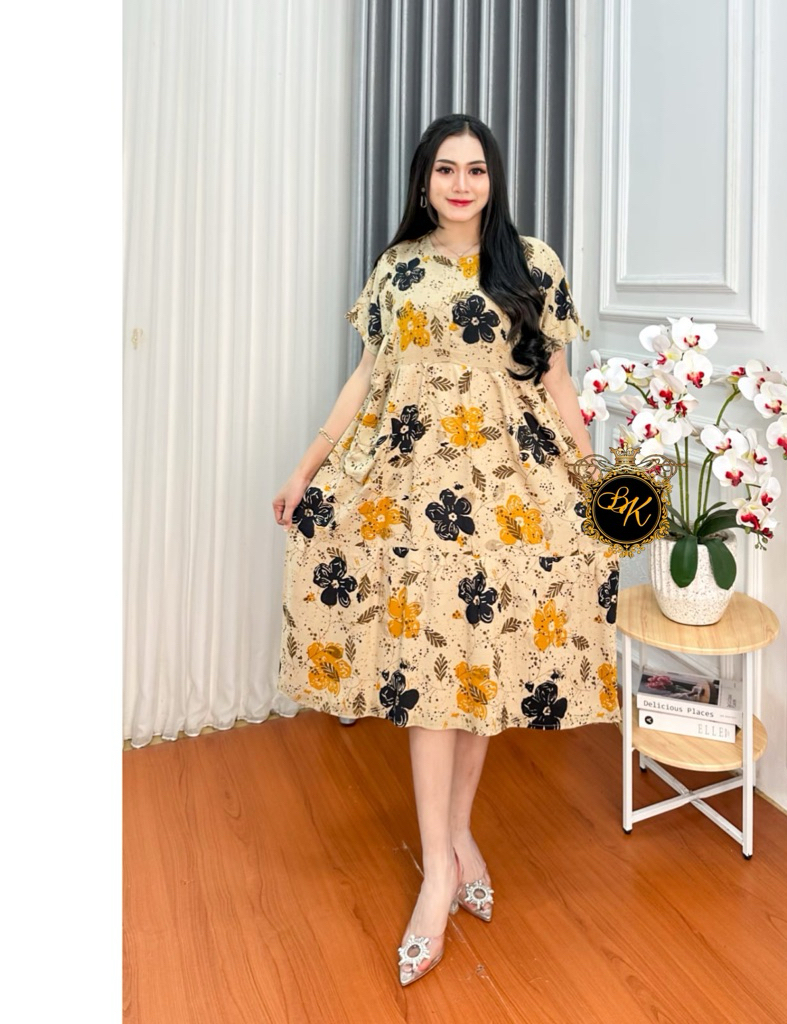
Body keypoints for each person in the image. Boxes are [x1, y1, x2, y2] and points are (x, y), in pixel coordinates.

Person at [271, 113, 621, 987]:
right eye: (445, 169)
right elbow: (366, 377)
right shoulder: (396, 268)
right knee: (431, 676)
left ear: (493, 180)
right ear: (423, 181)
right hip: (412, 495)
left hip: (509, 496)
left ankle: (460, 834)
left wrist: (598, 484)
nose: (461, 184)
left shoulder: (532, 264)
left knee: (476, 668)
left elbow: (557, 380)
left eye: (476, 170)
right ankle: (438, 873)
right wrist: (306, 467)